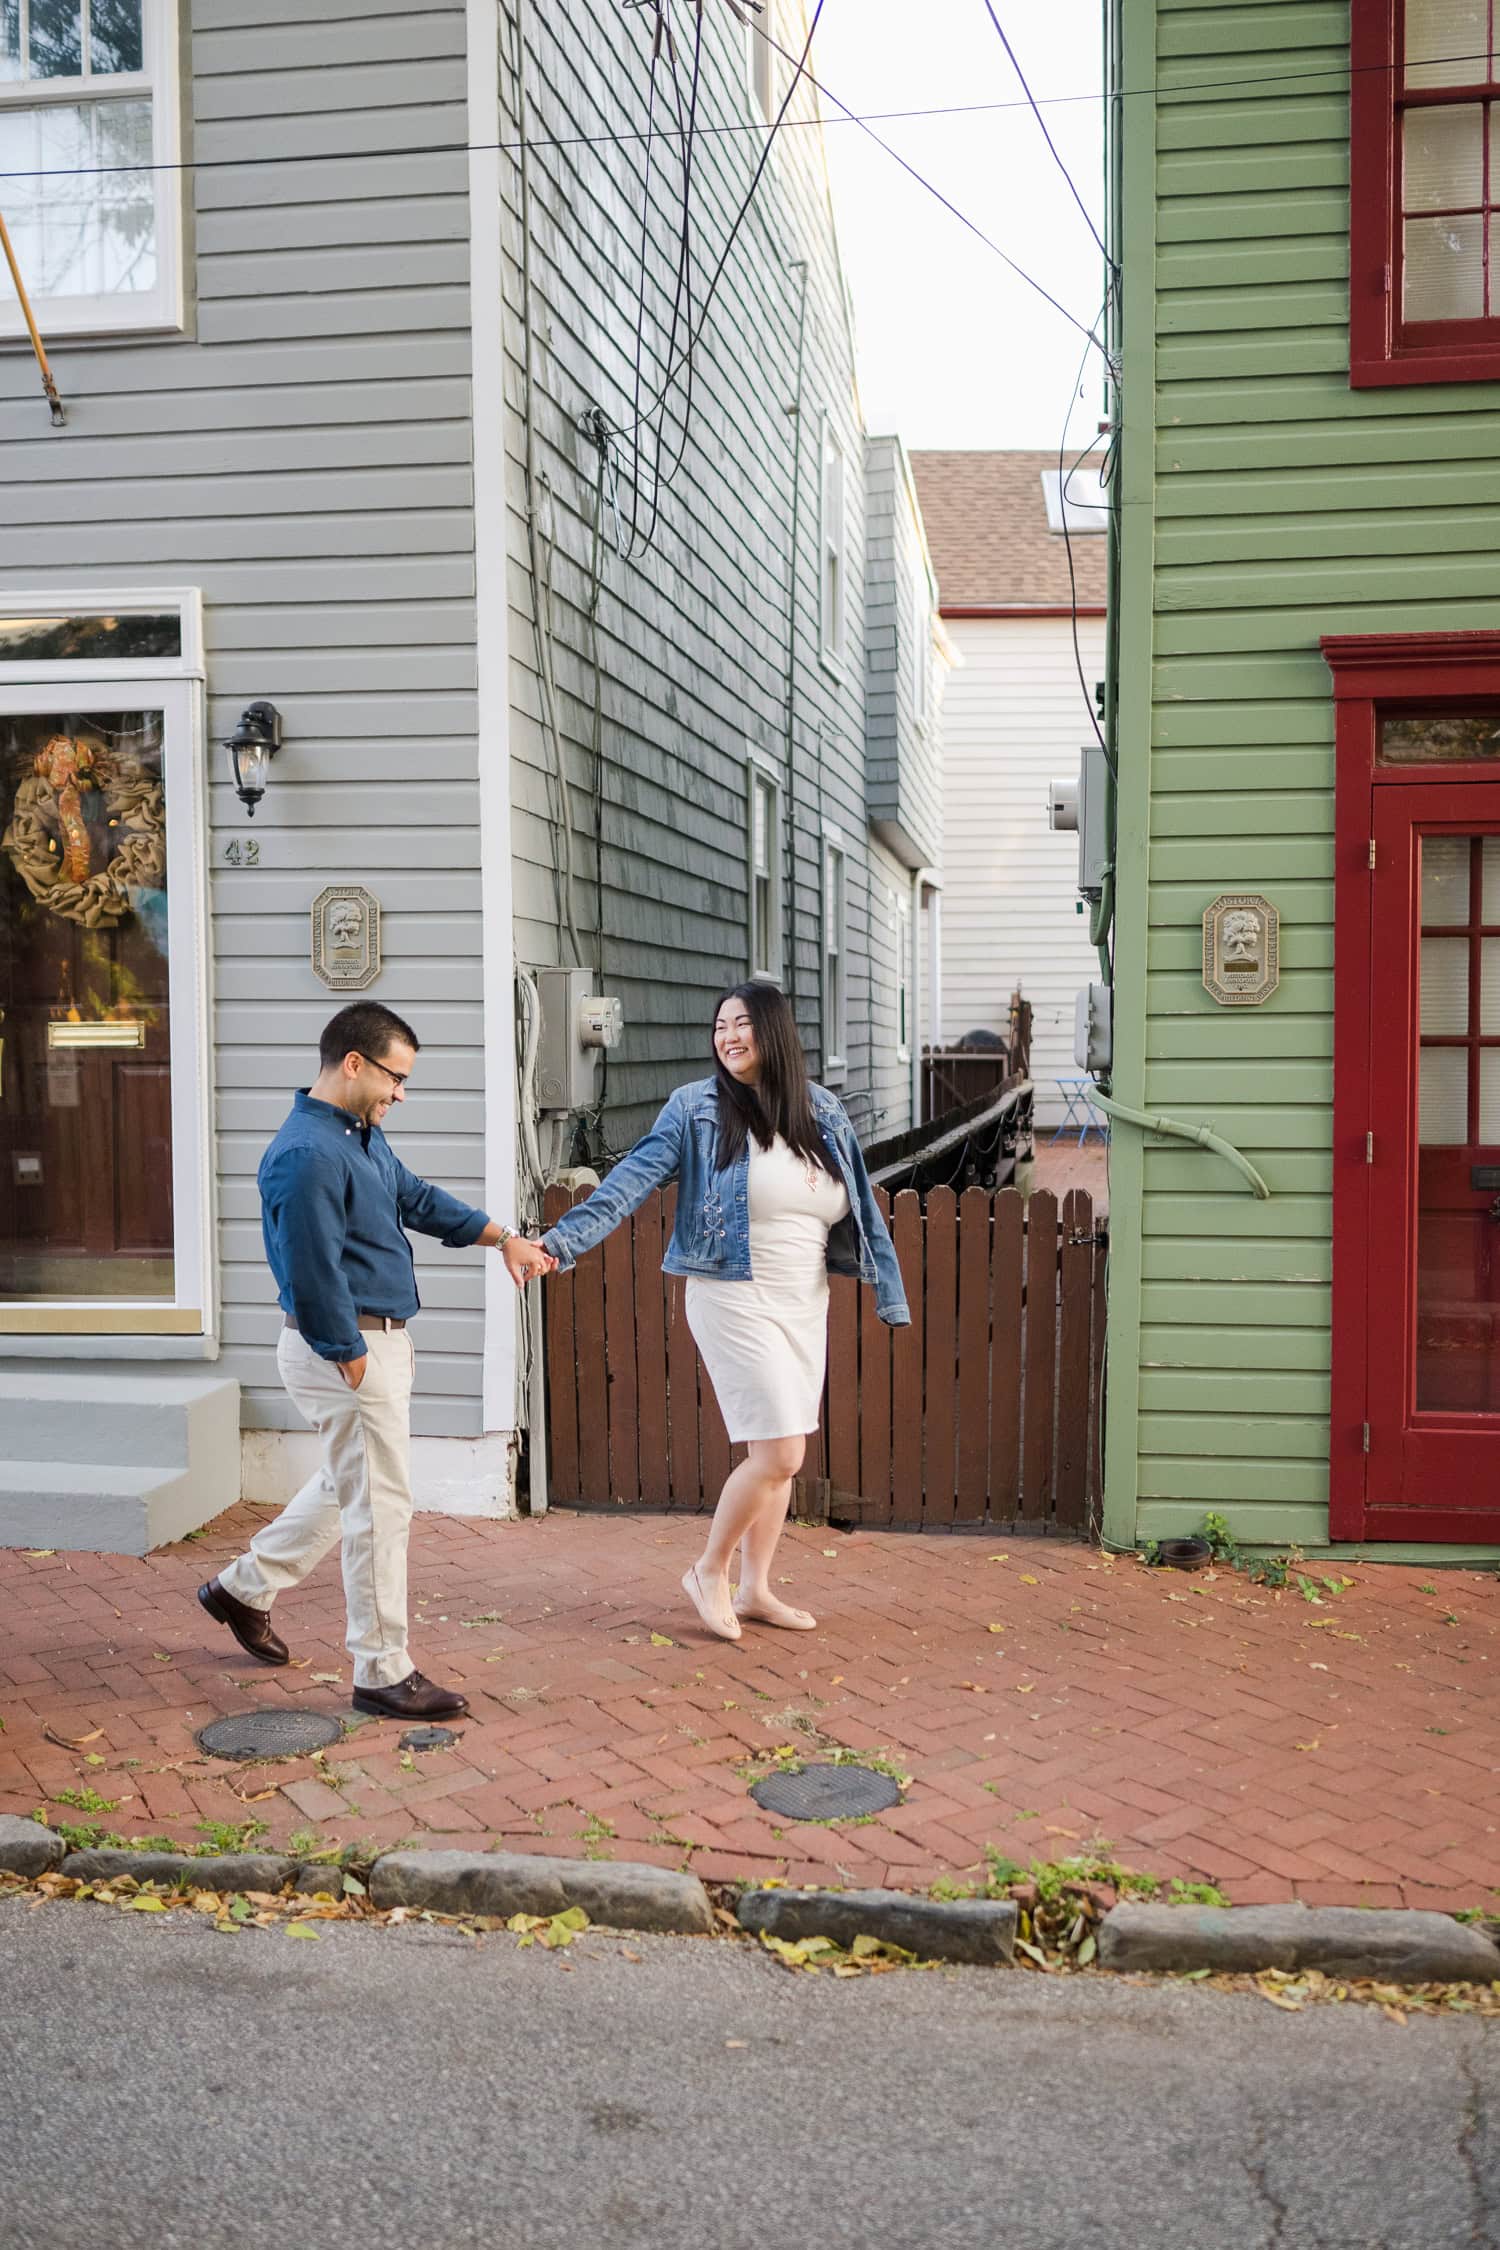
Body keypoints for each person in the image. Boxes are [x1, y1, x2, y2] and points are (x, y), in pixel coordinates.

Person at [197, 1002, 551, 1718]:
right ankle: (382, 1670)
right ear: (354, 1064)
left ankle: (243, 1588)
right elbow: (310, 1266)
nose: (401, 1093)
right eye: (396, 1077)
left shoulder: (358, 1138)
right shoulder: (306, 1155)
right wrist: (349, 1355)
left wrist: (501, 1237)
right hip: (346, 1349)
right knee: (381, 1509)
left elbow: (414, 1199)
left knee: (347, 1487)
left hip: (371, 1344)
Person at [532, 983, 909, 1640]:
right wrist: (560, 1242)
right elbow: (631, 1181)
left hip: (802, 1298)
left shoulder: (823, 1111)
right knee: (783, 1451)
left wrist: (888, 1287)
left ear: (776, 1033)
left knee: (782, 1445)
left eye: (742, 1025)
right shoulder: (695, 1108)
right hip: (731, 1292)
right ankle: (709, 1569)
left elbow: (861, 1208)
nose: (728, 1037)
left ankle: (756, 1587)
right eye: (720, 1027)